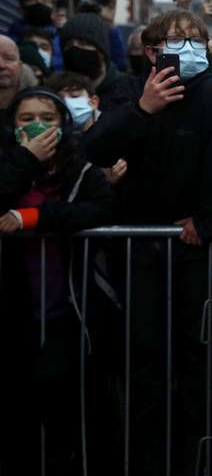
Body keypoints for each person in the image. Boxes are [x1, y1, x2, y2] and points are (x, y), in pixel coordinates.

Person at [80, 8, 212, 476]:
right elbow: (93, 150)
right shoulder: (131, 92)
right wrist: (142, 110)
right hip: (139, 251)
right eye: (175, 40)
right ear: (152, 51)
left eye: (196, 40)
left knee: (197, 363)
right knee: (144, 366)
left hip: (195, 252)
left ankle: (199, 459)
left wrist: (210, 220)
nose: (187, 47)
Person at [0, 87, 116, 476]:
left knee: (67, 409)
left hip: (68, 309)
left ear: (64, 127)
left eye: (48, 119)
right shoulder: (6, 163)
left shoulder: (79, 169)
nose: (37, 125)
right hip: (15, 311)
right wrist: (24, 160)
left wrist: (34, 218)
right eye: (25, 118)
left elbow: (101, 208)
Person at [59, 11, 128, 111]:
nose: (74, 48)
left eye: (83, 43)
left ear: (102, 52)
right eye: (68, 44)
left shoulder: (128, 90)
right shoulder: (59, 92)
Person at [6, 0, 63, 67]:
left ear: (52, 7)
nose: (39, 3)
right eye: (33, 0)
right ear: (22, 6)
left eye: (45, 0)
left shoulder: (62, 40)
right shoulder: (9, 41)